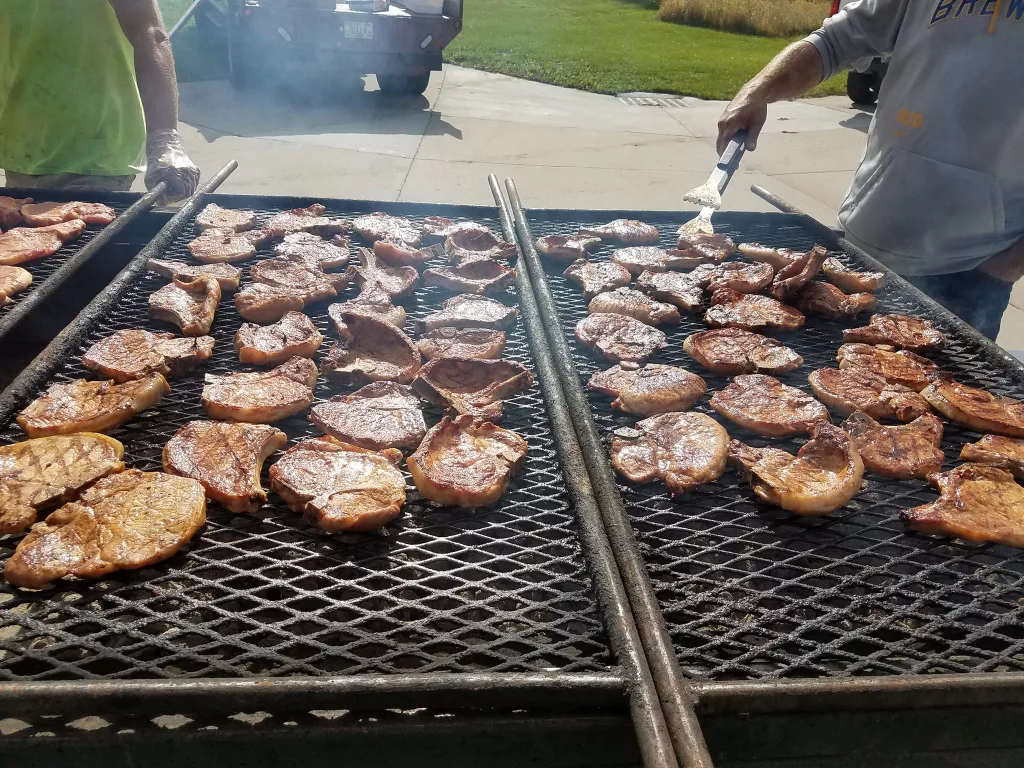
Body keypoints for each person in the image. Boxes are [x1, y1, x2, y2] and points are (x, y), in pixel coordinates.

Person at [716, 0, 1024, 340]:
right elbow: (835, 41)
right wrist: (757, 90)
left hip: (970, 271)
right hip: (862, 247)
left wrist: (1004, 268)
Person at [0, 0, 200, 202]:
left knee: (83, 221)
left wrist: (165, 139)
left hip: (97, 147)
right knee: (26, 221)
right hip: (20, 148)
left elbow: (148, 32)